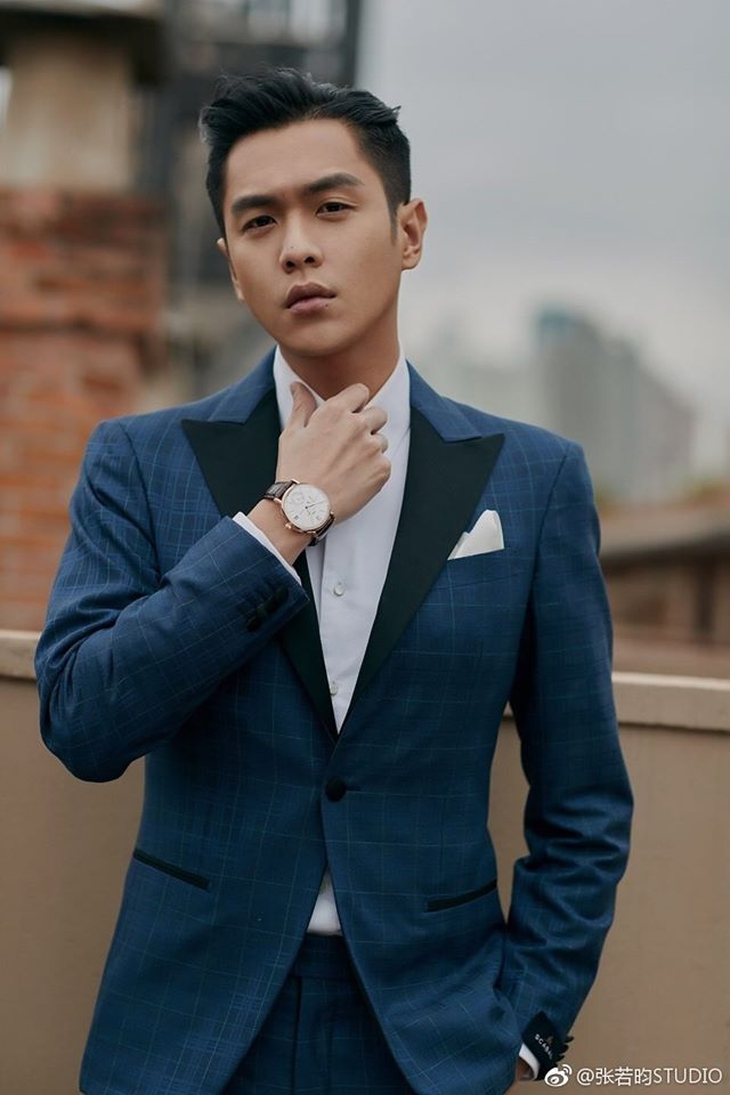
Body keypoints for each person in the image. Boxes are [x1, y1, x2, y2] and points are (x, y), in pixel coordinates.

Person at [35, 67, 632, 1095]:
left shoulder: (532, 480)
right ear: (231, 266)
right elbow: (84, 721)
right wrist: (283, 520)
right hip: (187, 1028)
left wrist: (526, 1030)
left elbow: (582, 797)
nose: (297, 247)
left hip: (429, 1035)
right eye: (259, 221)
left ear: (408, 231)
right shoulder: (139, 461)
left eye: (332, 207)